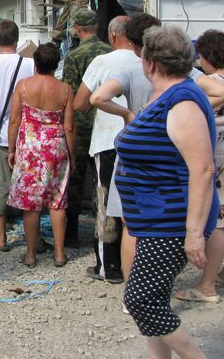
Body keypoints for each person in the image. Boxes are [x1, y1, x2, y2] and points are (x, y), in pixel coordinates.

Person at [90, 14, 224, 283]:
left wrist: (128, 115)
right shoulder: (186, 81)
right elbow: (223, 93)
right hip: (164, 189)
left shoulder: (175, 92)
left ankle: (138, 291)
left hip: (161, 195)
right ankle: (197, 285)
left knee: (135, 237)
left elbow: (97, 97)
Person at [115, 25, 218, 359]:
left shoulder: (181, 102)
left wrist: (193, 233)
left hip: (169, 221)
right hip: (154, 217)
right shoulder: (167, 95)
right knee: (155, 301)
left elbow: (202, 169)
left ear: (149, 63)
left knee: (141, 299)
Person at [173, 30, 224, 303]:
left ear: (209, 55)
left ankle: (207, 285)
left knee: (217, 218)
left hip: (218, 151)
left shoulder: (211, 82)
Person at [74, 16, 134, 284]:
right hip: (143, 142)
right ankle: (135, 264)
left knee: (106, 202)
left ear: (112, 36)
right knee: (135, 202)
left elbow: (80, 103)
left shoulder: (102, 62)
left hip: (109, 141)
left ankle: (108, 266)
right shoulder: (148, 62)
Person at [7, 43, 74, 267]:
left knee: (30, 203)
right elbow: (69, 127)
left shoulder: (24, 86)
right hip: (55, 147)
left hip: (30, 148)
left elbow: (15, 120)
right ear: (56, 64)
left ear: (35, 63)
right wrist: (71, 156)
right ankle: (59, 253)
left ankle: (30, 254)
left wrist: (12, 149)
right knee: (57, 201)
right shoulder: (65, 90)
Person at [0, 20, 35, 251]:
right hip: (27, 134)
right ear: (17, 38)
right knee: (30, 187)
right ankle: (34, 239)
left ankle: (1, 238)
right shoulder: (30, 64)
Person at [61, 8, 111, 246]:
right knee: (103, 179)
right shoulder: (111, 52)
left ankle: (70, 234)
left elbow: (68, 94)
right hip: (107, 124)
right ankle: (102, 234)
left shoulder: (74, 56)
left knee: (75, 177)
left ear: (78, 30)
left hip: (81, 125)